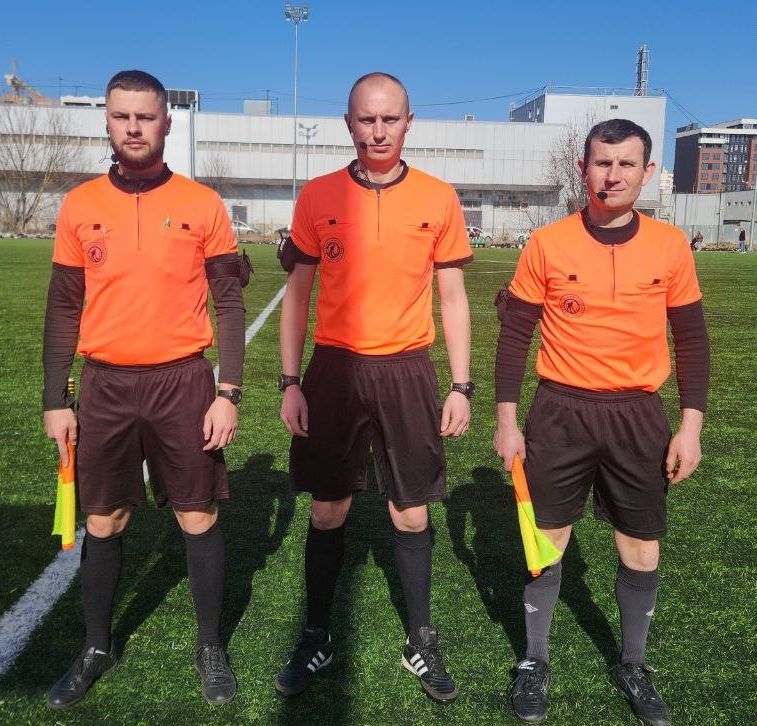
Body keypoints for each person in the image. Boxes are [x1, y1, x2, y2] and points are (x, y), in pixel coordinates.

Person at [41, 70, 247, 709]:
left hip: (183, 382)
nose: (134, 127)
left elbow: (230, 302)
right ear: (108, 120)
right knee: (104, 520)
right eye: (121, 116)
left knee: (197, 513)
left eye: (146, 116)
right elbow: (62, 308)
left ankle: (209, 645)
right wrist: (55, 400)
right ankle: (96, 647)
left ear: (165, 123)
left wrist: (228, 392)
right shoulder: (79, 205)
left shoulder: (202, 204)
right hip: (104, 385)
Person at [494, 119, 709, 726]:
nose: (612, 175)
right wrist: (507, 420)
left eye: (626, 164)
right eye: (601, 163)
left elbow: (692, 341)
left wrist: (689, 427)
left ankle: (633, 665)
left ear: (647, 172)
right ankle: (534, 661)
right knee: (546, 541)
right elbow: (514, 337)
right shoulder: (547, 243)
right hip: (560, 411)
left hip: (637, 415)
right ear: (584, 169)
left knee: (640, 546)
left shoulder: (670, 246)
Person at [275, 71, 473, 704]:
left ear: (409, 123)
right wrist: (290, 382)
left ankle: (421, 639)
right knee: (328, 507)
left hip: (407, 369)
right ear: (349, 123)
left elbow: (452, 297)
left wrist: (461, 385)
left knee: (410, 509)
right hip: (334, 369)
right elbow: (296, 296)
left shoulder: (439, 197)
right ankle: (316, 634)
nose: (379, 131)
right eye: (367, 119)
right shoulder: (318, 195)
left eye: (390, 119)